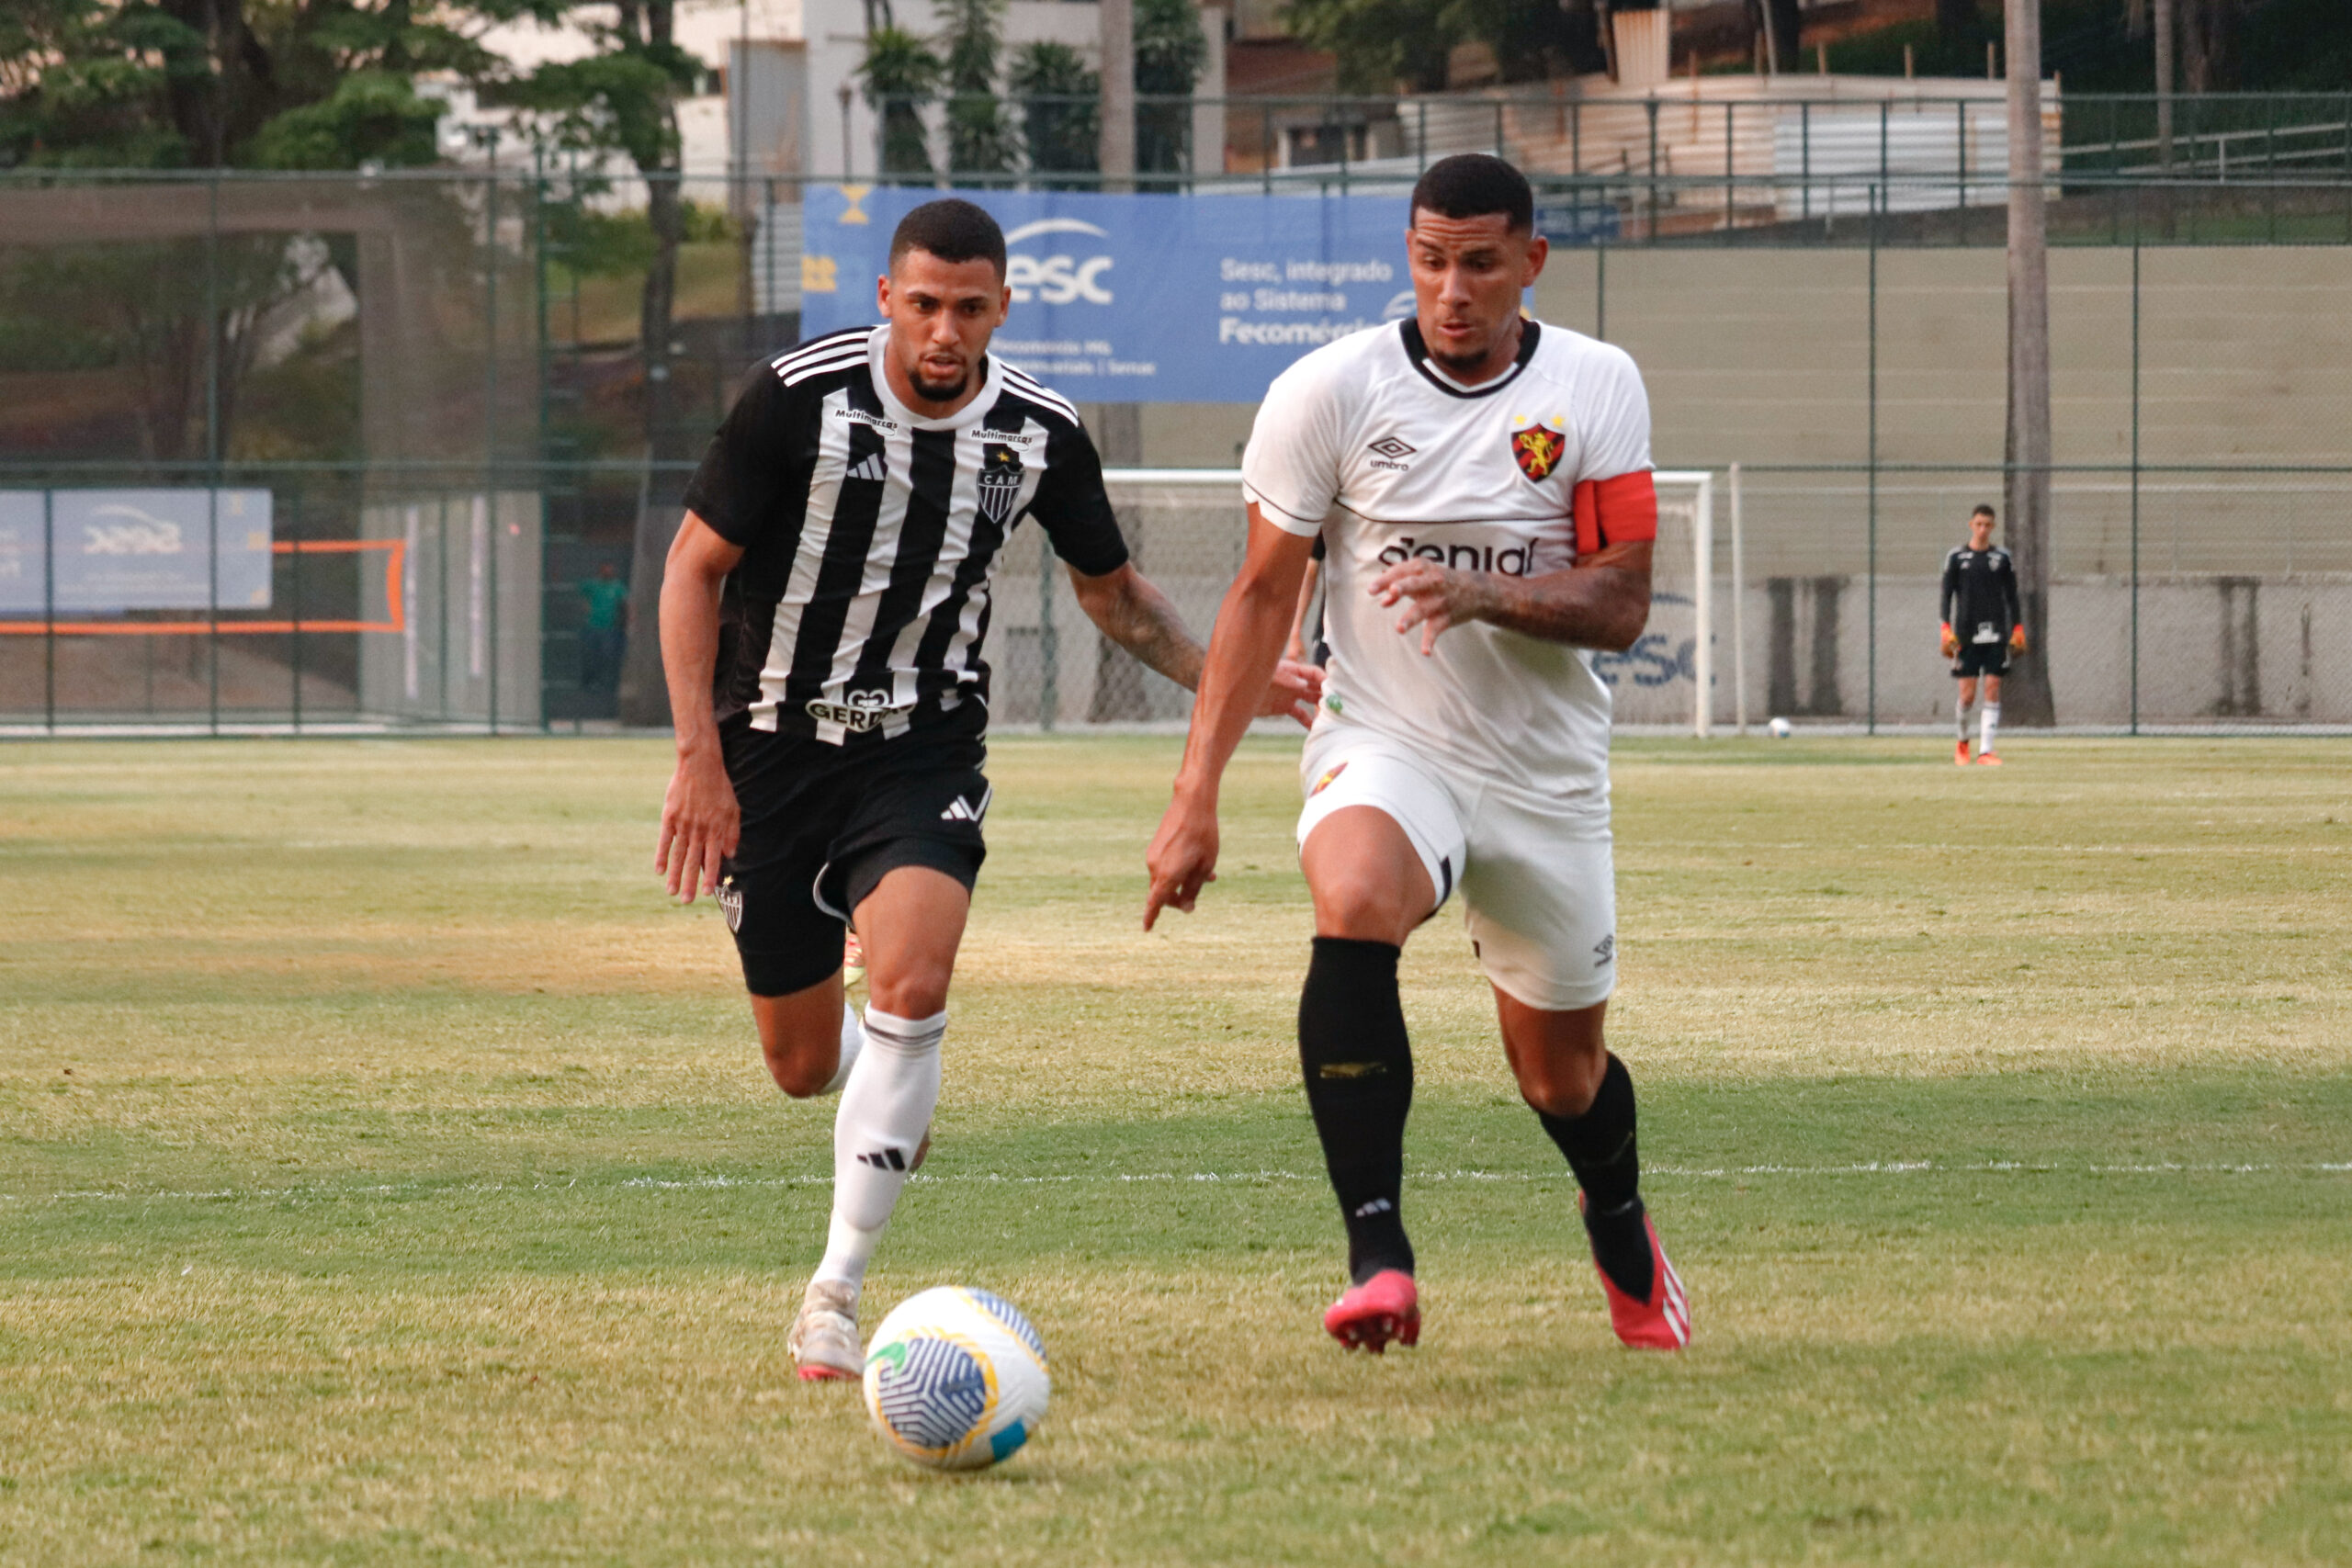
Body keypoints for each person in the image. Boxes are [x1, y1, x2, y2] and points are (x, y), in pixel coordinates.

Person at [655, 198, 1320, 1382]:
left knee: (914, 978)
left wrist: (1233, 676)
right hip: (768, 747)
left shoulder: (1038, 433)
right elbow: (693, 569)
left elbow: (1111, 596)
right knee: (803, 1065)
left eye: (969, 307)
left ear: (1002, 307)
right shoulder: (796, 401)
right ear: (886, 303)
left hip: (921, 749)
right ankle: (888, 1087)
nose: (944, 330)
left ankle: (832, 1296)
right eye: (923, 304)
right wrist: (697, 762)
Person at [1145, 153, 1690, 1354]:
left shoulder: (1596, 386)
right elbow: (1255, 595)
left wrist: (1483, 596)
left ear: (1531, 263)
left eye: (1481, 263)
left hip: (1545, 774)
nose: (1453, 289)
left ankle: (1621, 1226)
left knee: (1561, 1073)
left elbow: (1622, 603)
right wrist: (1195, 797)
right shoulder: (1327, 391)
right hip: (1388, 739)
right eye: (1432, 260)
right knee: (1352, 898)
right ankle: (1379, 1254)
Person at [1940, 504, 2026, 766]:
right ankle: (1962, 743)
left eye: (1987, 525)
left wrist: (2018, 628)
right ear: (1971, 524)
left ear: (1993, 527)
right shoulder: (1957, 557)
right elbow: (1946, 594)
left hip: (1996, 632)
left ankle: (1986, 751)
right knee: (1967, 695)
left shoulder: (2002, 558)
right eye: (1978, 524)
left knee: (1992, 687)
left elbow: (2012, 596)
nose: (1982, 529)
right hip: (1965, 633)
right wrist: (1945, 627)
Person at [578, 560, 629, 703]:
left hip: (609, 627)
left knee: (607, 654)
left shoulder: (617, 586)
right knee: (590, 654)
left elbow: (626, 603)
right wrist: (585, 607)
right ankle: (589, 682)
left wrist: (628, 621)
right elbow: (581, 594)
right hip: (592, 626)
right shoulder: (593, 585)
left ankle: (605, 683)